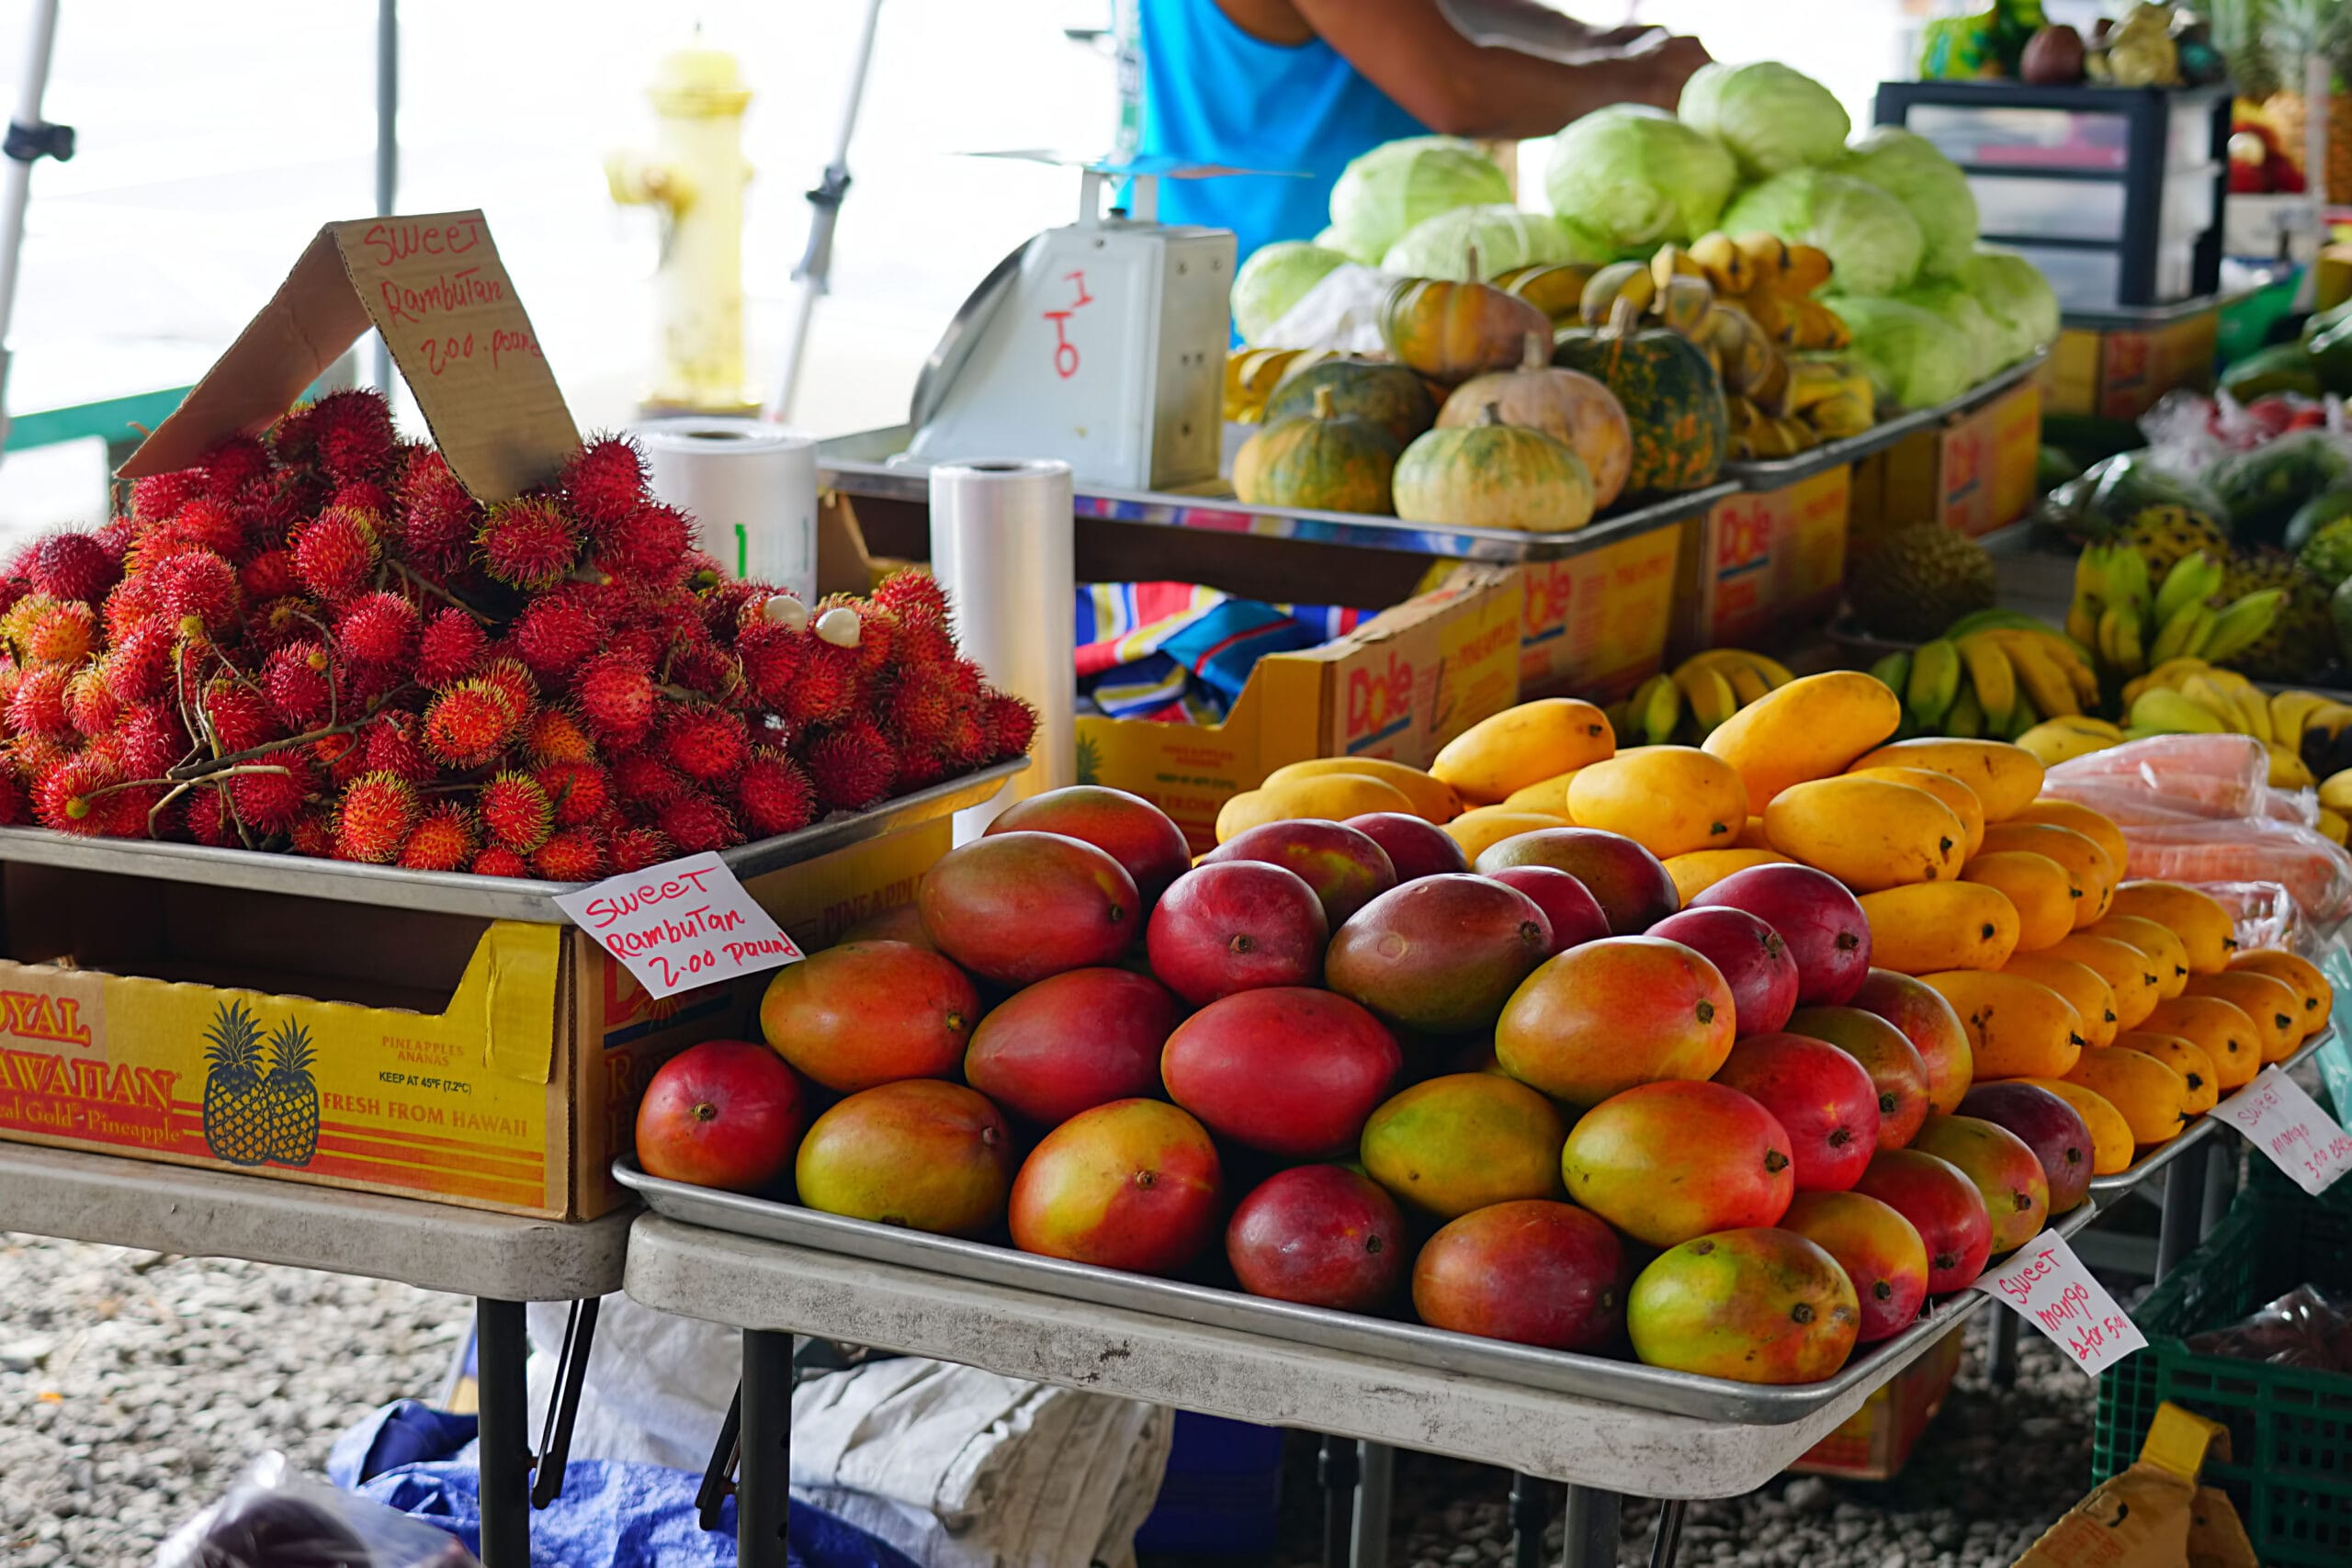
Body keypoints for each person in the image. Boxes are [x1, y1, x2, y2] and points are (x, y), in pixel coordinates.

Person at [1131, 0, 1712, 263]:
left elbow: (1421, 12)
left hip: (1212, 252)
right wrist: (1644, 86)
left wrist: (1591, 46)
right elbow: (1455, 89)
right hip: (1293, 297)